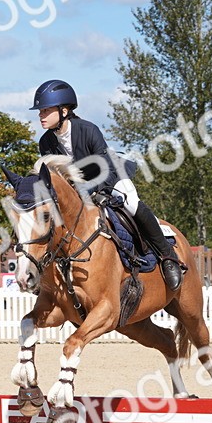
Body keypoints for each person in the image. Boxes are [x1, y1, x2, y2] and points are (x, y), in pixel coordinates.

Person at [30, 79, 184, 291]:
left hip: (111, 177)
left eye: (46, 110)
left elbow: (105, 167)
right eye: (40, 111)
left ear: (64, 110)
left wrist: (96, 192)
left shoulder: (88, 130)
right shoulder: (45, 142)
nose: (41, 115)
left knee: (131, 205)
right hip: (81, 191)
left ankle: (168, 256)